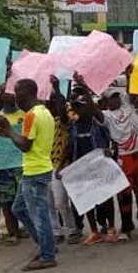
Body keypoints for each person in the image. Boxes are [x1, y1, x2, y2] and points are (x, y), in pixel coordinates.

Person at [76, 70, 138, 243]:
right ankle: (127, 228)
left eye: (117, 95)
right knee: (124, 196)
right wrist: (84, 87)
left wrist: (129, 73)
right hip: (124, 158)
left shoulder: (127, 105)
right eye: (112, 97)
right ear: (106, 102)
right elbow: (93, 109)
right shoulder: (106, 117)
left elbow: (131, 92)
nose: (116, 98)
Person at [0, 79, 57, 270]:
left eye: (16, 94)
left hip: (35, 171)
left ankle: (48, 255)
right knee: (19, 208)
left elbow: (25, 145)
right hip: (36, 169)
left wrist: (8, 128)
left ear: (23, 94)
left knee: (40, 215)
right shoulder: (43, 112)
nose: (15, 98)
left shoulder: (32, 115)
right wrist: (8, 134)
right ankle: (46, 245)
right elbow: (27, 140)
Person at [64, 85, 117, 245]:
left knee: (106, 196)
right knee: (86, 199)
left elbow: (111, 136)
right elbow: (70, 147)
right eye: (75, 104)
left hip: (99, 162)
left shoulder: (97, 120)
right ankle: (94, 231)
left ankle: (111, 228)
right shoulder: (74, 124)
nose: (78, 107)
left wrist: (111, 150)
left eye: (81, 103)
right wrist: (65, 167)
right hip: (81, 163)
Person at [47, 77, 79, 243]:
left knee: (60, 202)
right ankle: (56, 231)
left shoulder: (63, 119)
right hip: (44, 165)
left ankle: (71, 229)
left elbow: (62, 111)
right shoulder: (42, 118)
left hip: (60, 164)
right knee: (49, 203)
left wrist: (57, 89)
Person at [0, 86, 24, 246]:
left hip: (21, 163)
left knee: (23, 199)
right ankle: (13, 231)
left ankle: (24, 227)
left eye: (11, 92)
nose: (9, 95)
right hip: (2, 165)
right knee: (6, 200)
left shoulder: (25, 114)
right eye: (5, 92)